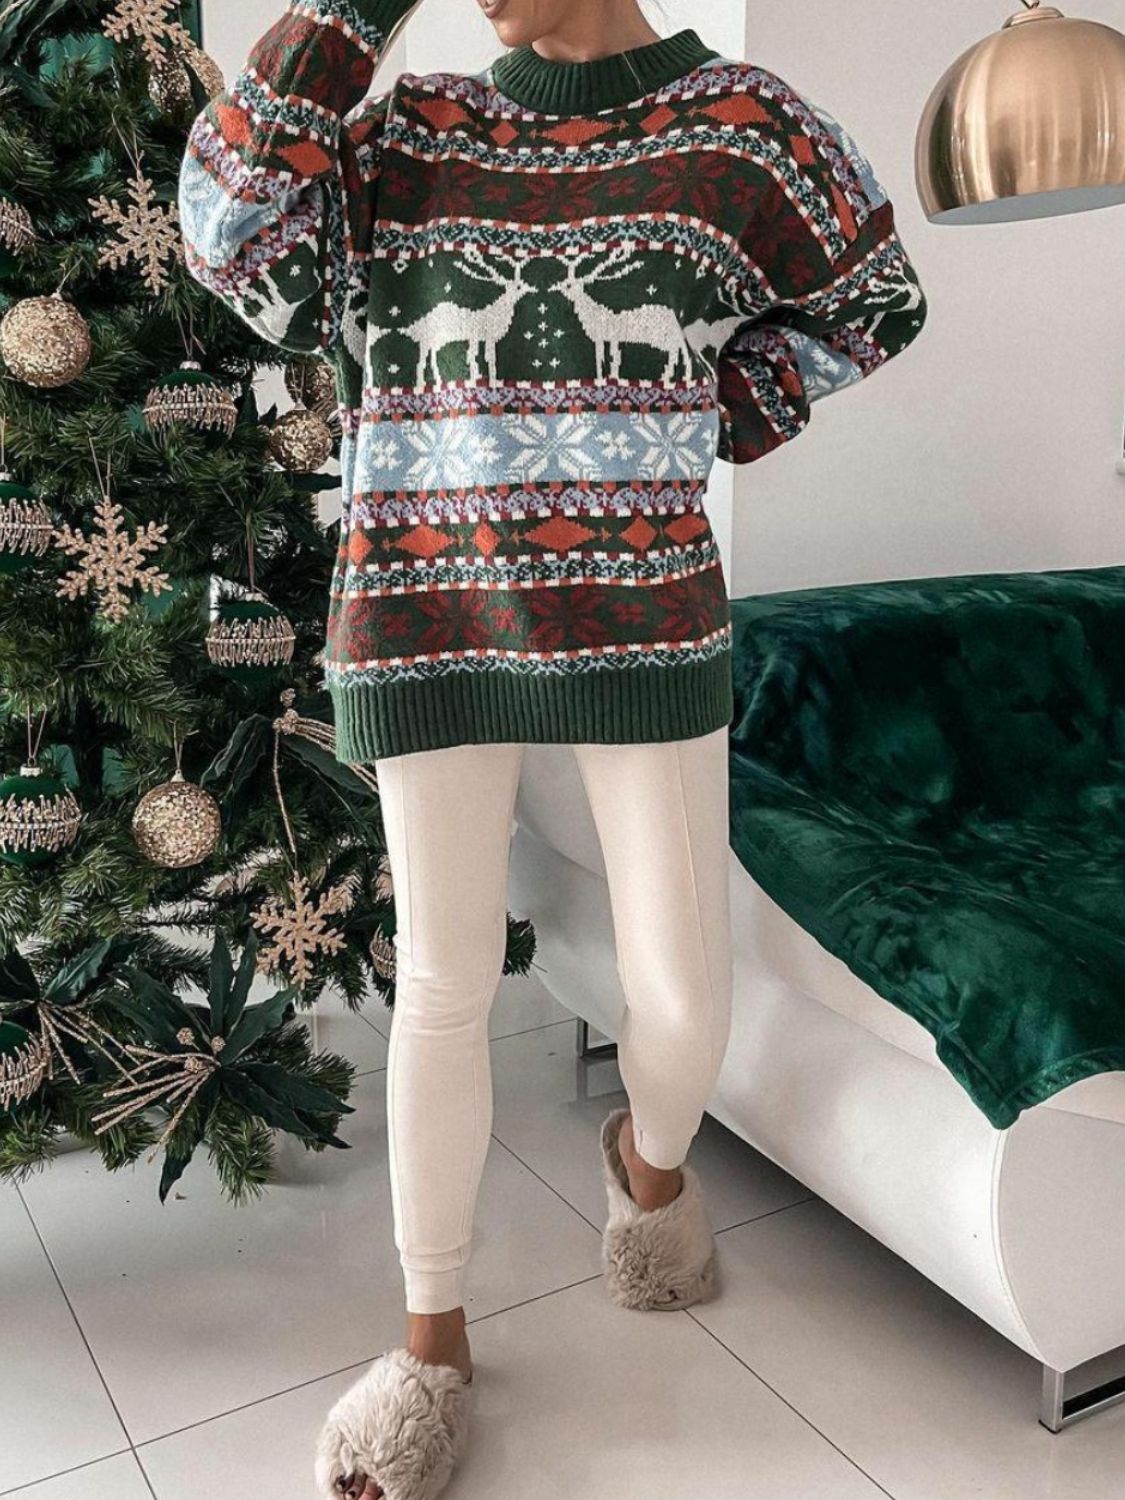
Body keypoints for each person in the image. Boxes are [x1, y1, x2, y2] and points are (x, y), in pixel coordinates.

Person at [180, 0, 927, 1492]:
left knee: (684, 995)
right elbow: (226, 228)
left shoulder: (742, 129)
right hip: (426, 609)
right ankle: (430, 1340)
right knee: (444, 982)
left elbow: (876, 301)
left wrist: (703, 416)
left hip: (645, 617)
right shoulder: (407, 135)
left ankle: (649, 1173)